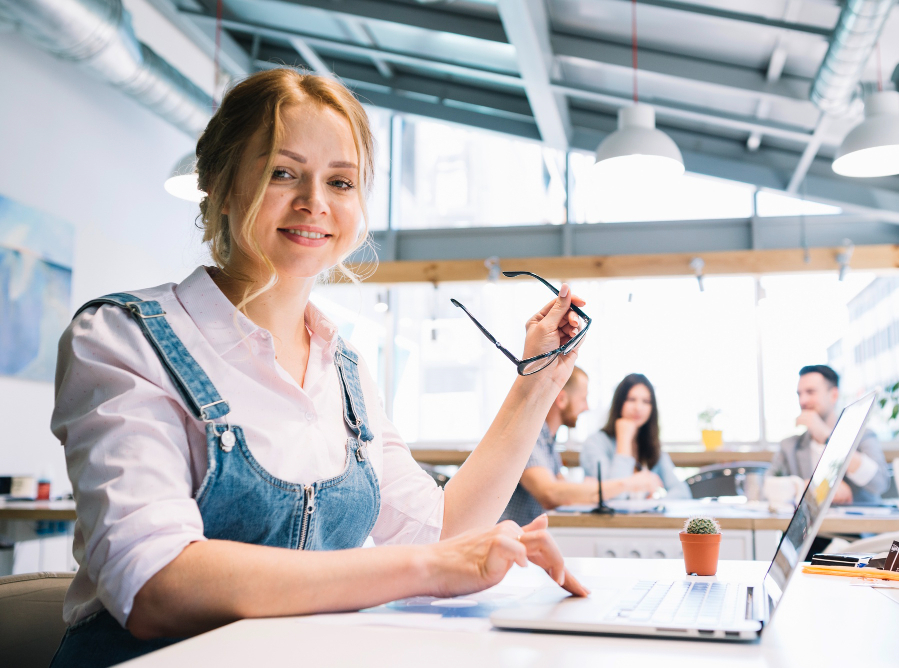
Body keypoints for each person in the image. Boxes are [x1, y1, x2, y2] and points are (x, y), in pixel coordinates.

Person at [48, 68, 588, 668]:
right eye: (284, 172)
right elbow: (154, 583)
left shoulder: (344, 369)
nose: (315, 202)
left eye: (341, 181)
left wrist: (537, 381)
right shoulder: (123, 337)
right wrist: (430, 569)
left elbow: (438, 532)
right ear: (222, 186)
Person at [500, 368, 662, 526]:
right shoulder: (528, 436)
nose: (587, 407)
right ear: (562, 399)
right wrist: (629, 483)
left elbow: (565, 492)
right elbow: (550, 494)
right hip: (505, 544)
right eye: (583, 399)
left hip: (522, 542)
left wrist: (588, 490)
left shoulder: (547, 440)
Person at [771, 365, 889, 505]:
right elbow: (766, 488)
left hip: (858, 525)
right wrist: (812, 487)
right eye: (799, 394)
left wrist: (829, 438)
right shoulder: (790, 445)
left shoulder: (863, 436)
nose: (802, 401)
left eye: (810, 392)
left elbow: (880, 483)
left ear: (833, 395)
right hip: (813, 526)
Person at [581, 373, 692, 499]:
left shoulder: (650, 445)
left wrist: (653, 505)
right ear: (619, 402)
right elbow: (612, 498)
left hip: (643, 519)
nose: (638, 408)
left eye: (646, 401)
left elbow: (682, 492)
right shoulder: (595, 443)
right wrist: (624, 439)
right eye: (631, 399)